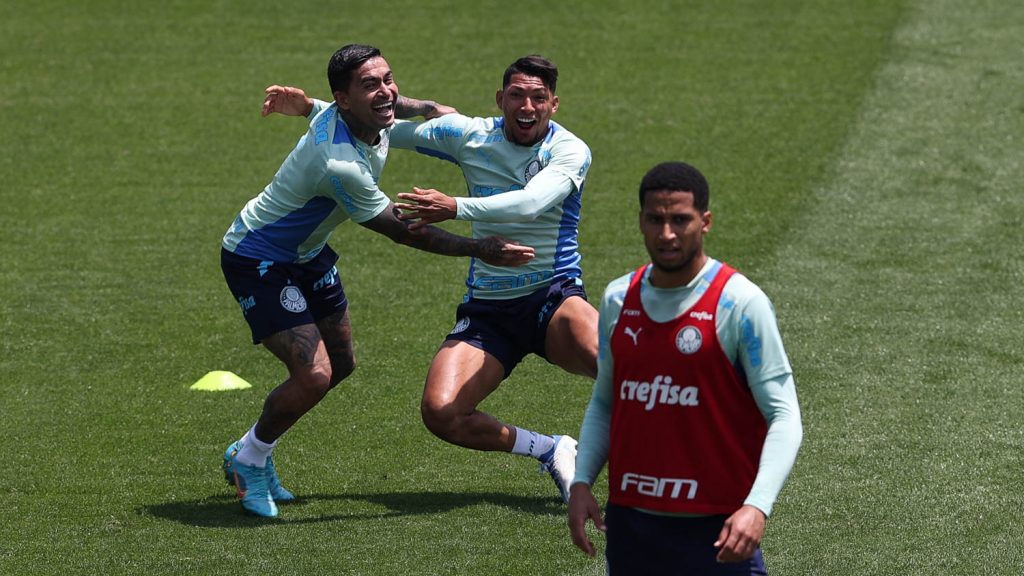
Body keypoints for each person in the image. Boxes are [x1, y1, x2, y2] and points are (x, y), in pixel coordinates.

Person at [261, 54, 596, 503]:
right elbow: (377, 122)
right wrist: (310, 108)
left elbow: (531, 203)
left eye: (539, 97)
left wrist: (455, 207)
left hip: (553, 296)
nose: (527, 106)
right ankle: (552, 449)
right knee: (442, 412)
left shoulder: (570, 151)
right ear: (501, 99)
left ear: (554, 104)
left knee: (619, 367)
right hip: (489, 309)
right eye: (517, 95)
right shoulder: (471, 135)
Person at [220, 44, 534, 518]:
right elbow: (405, 232)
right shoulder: (340, 163)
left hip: (306, 254)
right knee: (315, 374)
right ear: (344, 100)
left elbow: (415, 108)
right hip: (258, 257)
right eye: (371, 85)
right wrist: (479, 246)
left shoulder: (365, 116)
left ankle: (250, 451)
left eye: (388, 78)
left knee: (341, 364)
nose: (386, 91)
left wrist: (427, 110)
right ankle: (249, 458)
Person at [567, 162, 803, 574]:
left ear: (705, 222)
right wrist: (582, 480)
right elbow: (606, 400)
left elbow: (784, 415)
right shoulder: (618, 299)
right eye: (655, 220)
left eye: (680, 220)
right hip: (632, 526)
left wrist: (757, 506)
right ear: (640, 221)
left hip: (717, 529)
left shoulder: (740, 304)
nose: (667, 234)